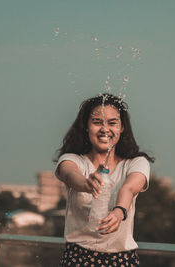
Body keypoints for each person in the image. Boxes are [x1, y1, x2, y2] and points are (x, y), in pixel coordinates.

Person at [54, 93, 154, 267]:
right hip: (78, 258)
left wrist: (119, 211)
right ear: (86, 126)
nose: (105, 129)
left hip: (122, 260)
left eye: (112, 123)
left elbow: (129, 188)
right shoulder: (73, 160)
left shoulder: (136, 163)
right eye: (97, 122)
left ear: (122, 128)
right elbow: (70, 175)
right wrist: (86, 183)